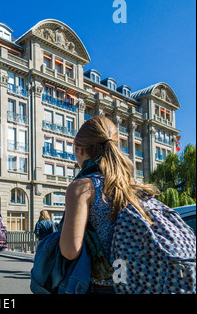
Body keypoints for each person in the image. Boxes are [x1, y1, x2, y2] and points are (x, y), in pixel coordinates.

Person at [59, 116, 156, 294]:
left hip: (103, 286)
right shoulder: (134, 183)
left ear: (80, 150)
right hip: (138, 284)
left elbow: (70, 251)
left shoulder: (82, 187)